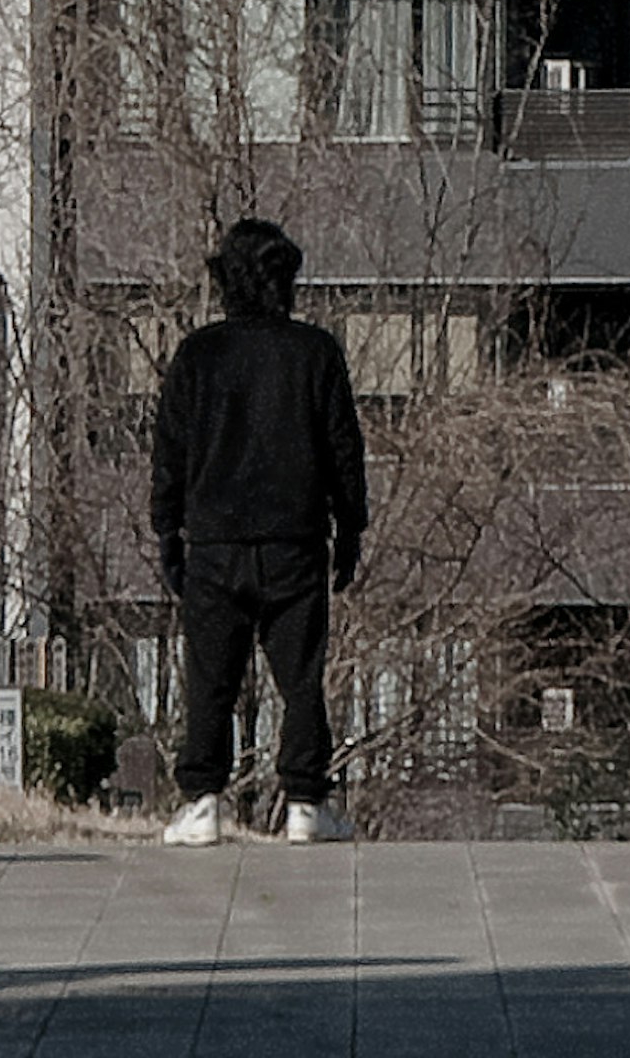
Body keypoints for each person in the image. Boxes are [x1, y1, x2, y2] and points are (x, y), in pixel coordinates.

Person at [149, 212, 369, 838]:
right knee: (300, 676)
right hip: (296, 540)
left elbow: (170, 451)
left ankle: (203, 800)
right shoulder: (315, 352)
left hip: (214, 541)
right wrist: (350, 527)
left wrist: (168, 530)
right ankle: (304, 800)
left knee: (210, 676)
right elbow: (343, 449)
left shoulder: (199, 355)